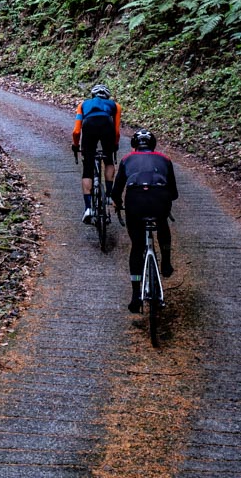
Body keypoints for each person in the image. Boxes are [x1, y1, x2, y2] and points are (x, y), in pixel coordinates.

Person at [110, 129, 179, 313]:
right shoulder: (165, 159)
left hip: (135, 201)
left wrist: (118, 203)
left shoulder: (126, 160)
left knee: (137, 246)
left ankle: (135, 296)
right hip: (159, 198)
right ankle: (165, 262)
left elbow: (116, 191)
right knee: (162, 223)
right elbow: (174, 193)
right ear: (153, 145)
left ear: (134, 146)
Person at [71, 83, 121, 224]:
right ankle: (110, 195)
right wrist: (114, 146)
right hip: (107, 126)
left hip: (89, 125)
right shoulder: (115, 106)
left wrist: (75, 145)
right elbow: (116, 131)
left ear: (92, 96)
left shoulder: (83, 105)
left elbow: (76, 131)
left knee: (88, 169)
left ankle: (88, 208)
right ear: (107, 96)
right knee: (109, 160)